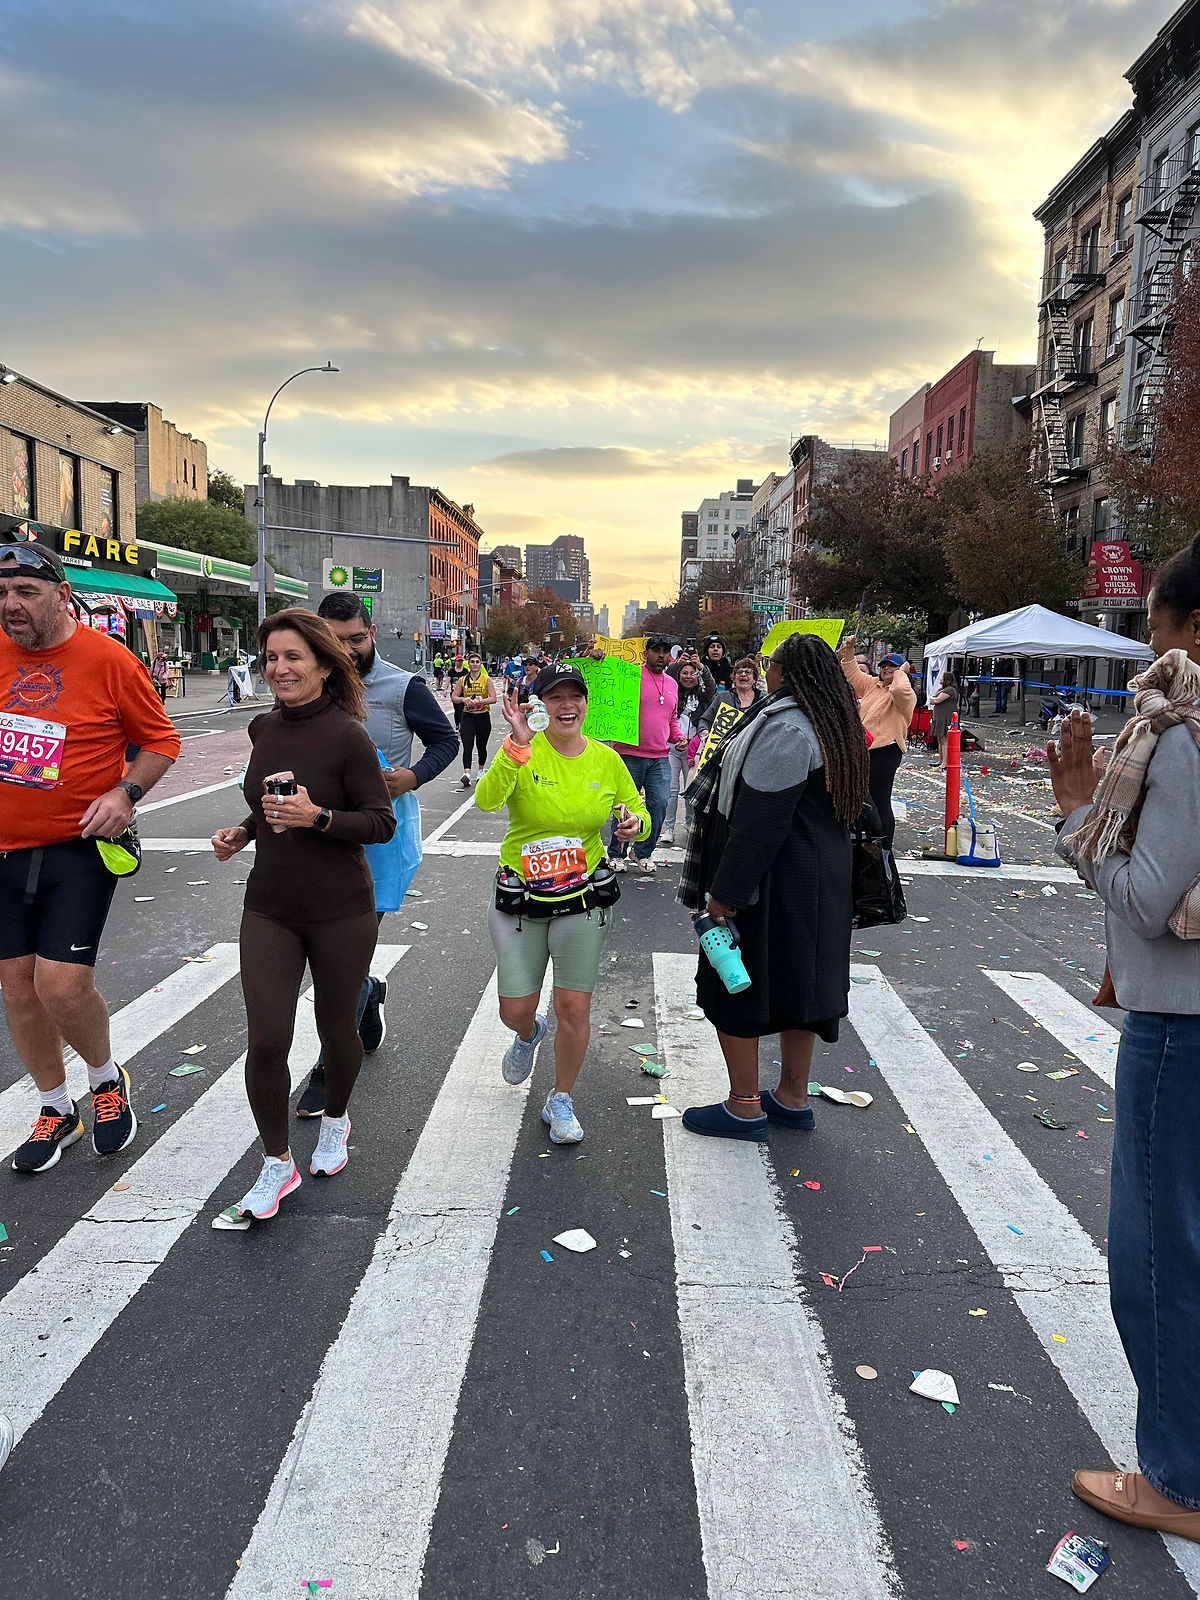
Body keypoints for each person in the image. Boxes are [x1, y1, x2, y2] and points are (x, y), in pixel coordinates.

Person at [1049, 536, 1200, 1541]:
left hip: (1179, 1030)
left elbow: (1150, 902)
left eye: (1156, 620)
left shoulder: (1183, 734)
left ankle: (1177, 1478)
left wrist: (1073, 811)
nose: (1148, 639)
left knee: (1157, 1259)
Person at [0, 541, 180, 1175]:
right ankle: (56, 1106)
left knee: (62, 985)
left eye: (25, 592)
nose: (10, 605)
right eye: (1, 592)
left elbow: (160, 739)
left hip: (78, 846)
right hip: (4, 851)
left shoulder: (108, 660)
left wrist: (125, 793)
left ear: (61, 595)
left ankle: (105, 1081)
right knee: (18, 990)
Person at [210, 610, 395, 1220]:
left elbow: (379, 821)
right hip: (270, 906)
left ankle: (337, 1121)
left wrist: (319, 818)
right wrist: (243, 831)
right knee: (266, 1039)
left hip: (340, 908)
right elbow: (269, 807)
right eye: (270, 658)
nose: (279, 669)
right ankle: (276, 1162)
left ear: (321, 664)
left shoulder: (348, 736)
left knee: (336, 1027)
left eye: (292, 657)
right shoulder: (264, 729)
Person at [677, 633, 869, 1141]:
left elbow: (760, 822)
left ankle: (744, 1106)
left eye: (772, 665)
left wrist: (725, 894)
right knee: (800, 988)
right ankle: (792, 1097)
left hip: (773, 885)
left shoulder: (786, 728)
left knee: (733, 984)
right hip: (821, 881)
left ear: (787, 673)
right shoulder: (836, 723)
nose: (766, 672)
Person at [295, 594, 459, 1117]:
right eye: (333, 642)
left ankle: (329, 1061)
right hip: (315, 832)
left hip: (380, 836)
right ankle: (367, 994)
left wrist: (413, 776)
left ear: (373, 633)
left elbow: (444, 741)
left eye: (356, 640)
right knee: (331, 951)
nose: (345, 651)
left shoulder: (401, 686)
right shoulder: (303, 687)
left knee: (347, 948)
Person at [476, 665, 650, 1144]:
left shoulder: (605, 760)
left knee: (573, 1006)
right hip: (520, 897)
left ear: (586, 703)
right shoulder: (522, 751)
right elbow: (486, 801)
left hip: (582, 898)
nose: (567, 705)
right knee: (515, 1008)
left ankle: (561, 1098)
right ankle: (529, 1034)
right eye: (556, 698)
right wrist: (514, 748)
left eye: (575, 696)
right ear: (541, 706)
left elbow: (638, 808)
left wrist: (635, 824)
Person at [605, 634, 685, 876]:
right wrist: (595, 656)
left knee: (659, 804)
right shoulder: (629, 677)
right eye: (656, 650)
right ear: (645, 653)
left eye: (665, 651)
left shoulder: (672, 683)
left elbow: (671, 718)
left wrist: (678, 737)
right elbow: (603, 685)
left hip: (660, 756)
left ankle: (642, 852)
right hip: (629, 754)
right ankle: (617, 853)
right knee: (624, 808)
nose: (661, 655)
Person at [838, 635, 915, 848]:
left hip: (886, 751)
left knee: (879, 799)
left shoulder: (905, 694)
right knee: (863, 798)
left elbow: (900, 689)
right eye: (884, 666)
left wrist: (901, 673)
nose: (887, 669)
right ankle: (869, 839)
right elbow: (851, 672)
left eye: (892, 666)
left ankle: (884, 846)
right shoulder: (873, 685)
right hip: (865, 749)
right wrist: (850, 648)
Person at [663, 660, 715, 845]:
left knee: (691, 788)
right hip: (672, 747)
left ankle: (690, 823)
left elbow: (710, 686)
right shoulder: (672, 692)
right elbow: (667, 676)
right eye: (684, 673)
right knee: (671, 789)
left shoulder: (703, 696)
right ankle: (668, 828)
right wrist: (677, 663)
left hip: (694, 751)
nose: (688, 676)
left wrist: (701, 668)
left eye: (692, 673)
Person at [452, 649, 497, 786]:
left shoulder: (486, 679)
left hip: (483, 716)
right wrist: (463, 699)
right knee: (467, 745)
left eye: (477, 662)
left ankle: (481, 771)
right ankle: (466, 773)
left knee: (481, 746)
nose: (475, 664)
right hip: (468, 716)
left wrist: (480, 701)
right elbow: (454, 697)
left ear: (480, 664)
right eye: (472, 662)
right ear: (468, 664)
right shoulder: (462, 680)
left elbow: (493, 698)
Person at [930, 669, 957, 769]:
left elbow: (936, 700)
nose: (940, 679)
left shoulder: (950, 690)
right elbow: (933, 697)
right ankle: (940, 759)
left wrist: (933, 699)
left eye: (942, 677)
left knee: (944, 740)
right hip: (939, 717)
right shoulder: (942, 689)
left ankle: (945, 762)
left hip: (945, 717)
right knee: (940, 739)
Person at [448, 652, 468, 728]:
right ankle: (457, 724)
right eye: (458, 661)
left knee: (462, 709)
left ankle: (462, 724)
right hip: (454, 693)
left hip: (463, 693)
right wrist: (445, 690)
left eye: (461, 661)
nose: (459, 662)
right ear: (455, 661)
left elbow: (468, 681)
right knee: (457, 709)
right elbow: (448, 680)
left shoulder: (465, 671)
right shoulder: (451, 671)